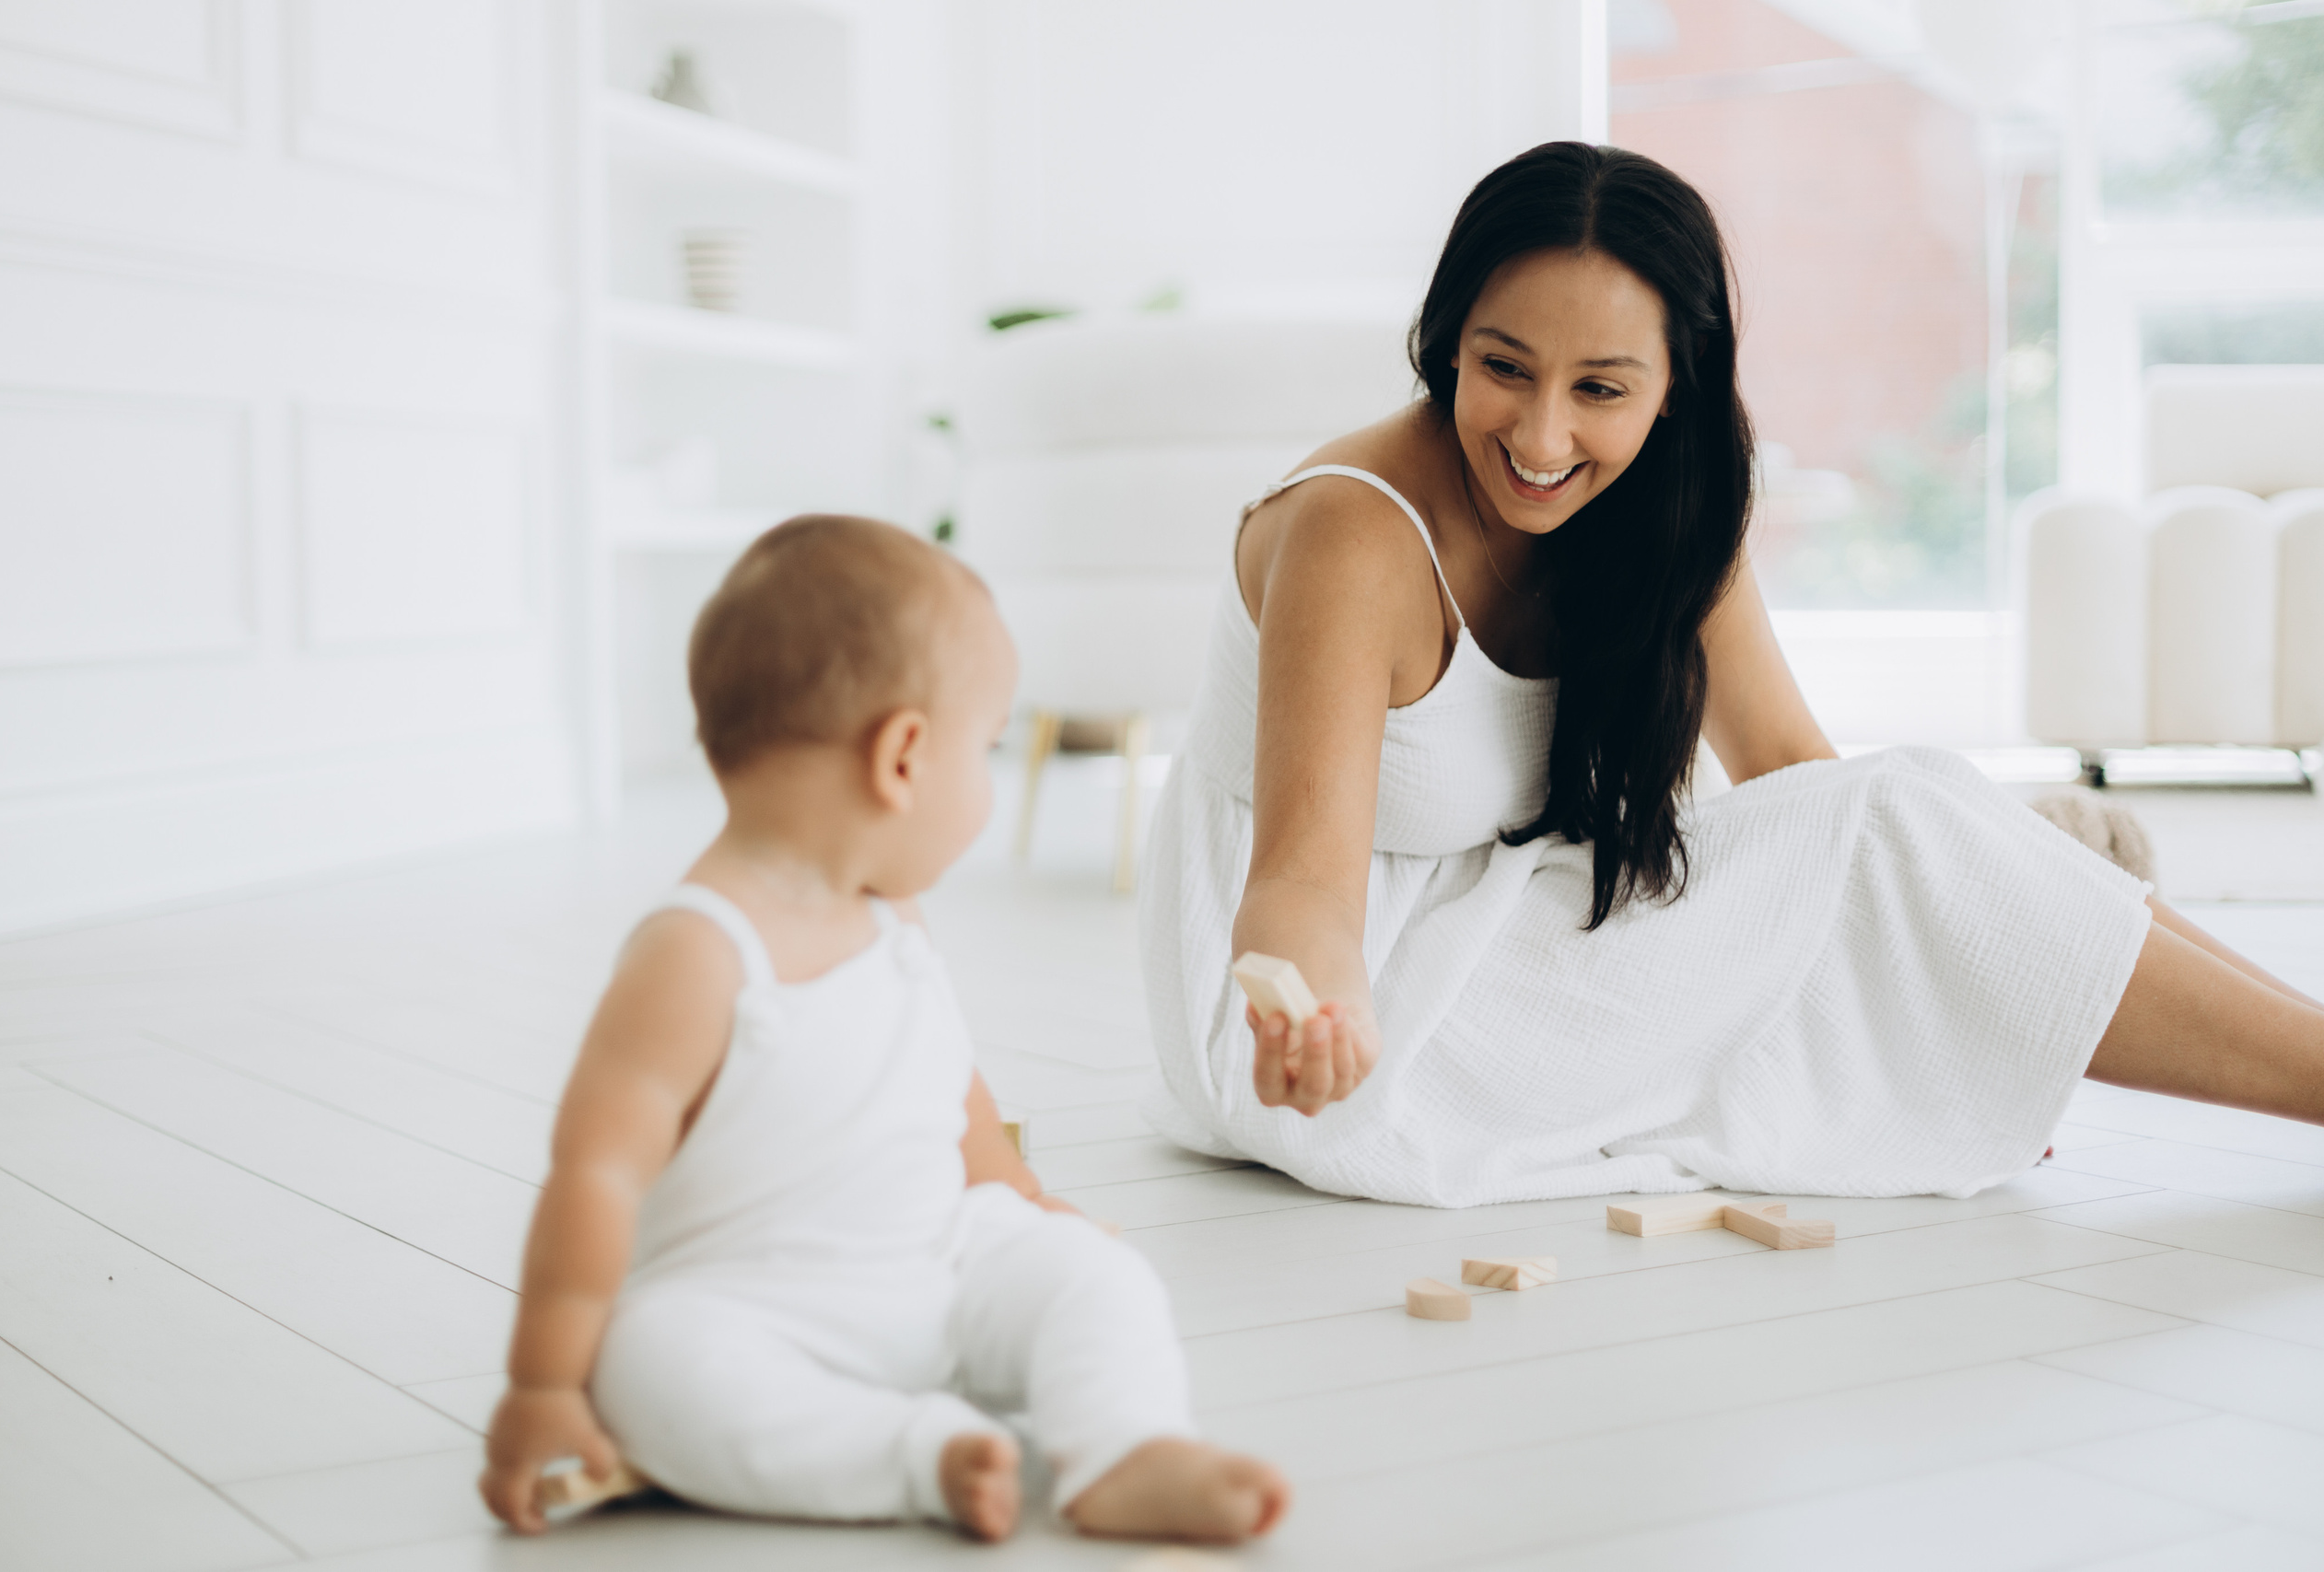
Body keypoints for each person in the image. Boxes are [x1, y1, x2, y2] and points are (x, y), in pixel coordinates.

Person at [1138, 142, 2324, 1209]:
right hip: (1348, 1028)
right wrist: (1318, 1011)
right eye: (1503, 368)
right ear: (1448, 339)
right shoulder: (1354, 534)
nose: (1541, 437)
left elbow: (1800, 787)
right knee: (1908, 823)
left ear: (1674, 388)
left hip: (1513, 944)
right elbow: (1298, 881)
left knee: (1913, 807)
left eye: (1599, 389)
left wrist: (1968, 1011)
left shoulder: (1667, 505)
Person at [478, 517, 1287, 1543]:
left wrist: (1029, 1205)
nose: (987, 780)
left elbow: (950, 1086)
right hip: (758, 1312)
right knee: (647, 1366)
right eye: (986, 746)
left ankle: (1124, 1448)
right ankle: (912, 1457)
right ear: (904, 758)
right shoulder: (696, 953)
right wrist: (544, 1382)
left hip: (940, 1264)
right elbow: (592, 1173)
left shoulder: (889, 915)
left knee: (1096, 1275)